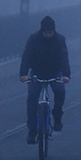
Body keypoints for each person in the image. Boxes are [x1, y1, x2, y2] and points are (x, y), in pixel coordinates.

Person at [19, 15, 71, 144]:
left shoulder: (60, 40)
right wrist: (23, 74)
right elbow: (27, 56)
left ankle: (57, 117)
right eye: (45, 32)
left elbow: (63, 57)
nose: (48, 35)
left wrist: (66, 75)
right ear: (41, 31)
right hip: (37, 72)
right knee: (32, 98)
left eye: (50, 32)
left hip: (55, 72)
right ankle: (32, 130)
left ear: (54, 31)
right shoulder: (33, 39)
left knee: (60, 91)